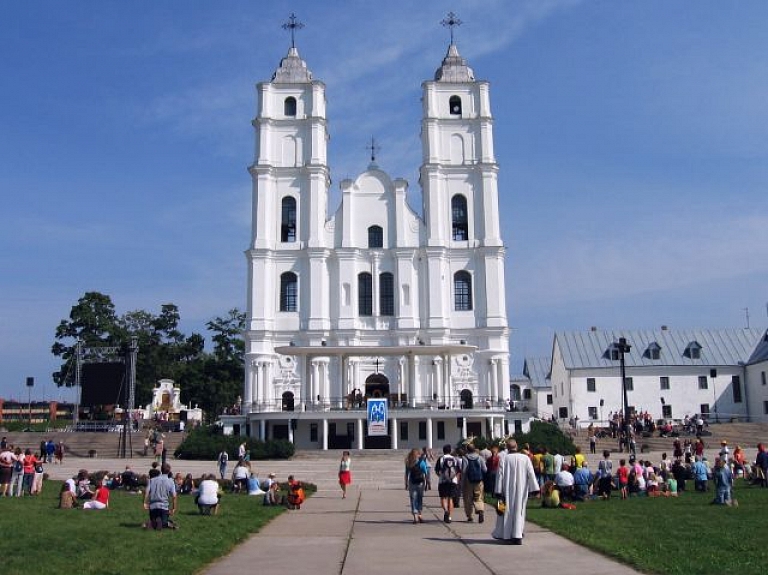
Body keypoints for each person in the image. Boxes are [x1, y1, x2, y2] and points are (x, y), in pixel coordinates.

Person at [492, 439, 539, 545]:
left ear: (507, 448)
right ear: (516, 446)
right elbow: (531, 473)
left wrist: (498, 491)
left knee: (506, 512)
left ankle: (507, 534)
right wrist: (535, 489)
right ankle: (518, 535)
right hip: (521, 491)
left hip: (506, 490)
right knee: (519, 512)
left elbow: (499, 476)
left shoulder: (504, 459)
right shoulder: (525, 458)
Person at [144, 463, 178, 529]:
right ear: (169, 471)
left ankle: (153, 523)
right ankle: (166, 523)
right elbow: (174, 496)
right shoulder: (170, 481)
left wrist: (145, 503)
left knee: (153, 524)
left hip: (153, 506)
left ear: (161, 470)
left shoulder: (152, 480)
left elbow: (146, 492)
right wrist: (173, 508)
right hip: (164, 506)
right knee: (164, 524)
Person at [434, 444, 460, 524]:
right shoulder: (455, 459)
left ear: (443, 450)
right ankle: (450, 516)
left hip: (443, 481)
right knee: (450, 499)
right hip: (453, 481)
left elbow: (437, 470)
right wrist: (456, 479)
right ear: (450, 451)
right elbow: (458, 471)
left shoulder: (441, 459)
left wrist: (441, 476)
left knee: (443, 498)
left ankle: (445, 511)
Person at [461, 443, 487, 523]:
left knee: (468, 498)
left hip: (468, 481)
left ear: (467, 450)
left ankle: (469, 516)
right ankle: (480, 510)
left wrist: (462, 481)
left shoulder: (465, 458)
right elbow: (485, 469)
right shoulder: (480, 457)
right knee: (479, 496)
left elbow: (464, 470)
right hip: (478, 480)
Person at [404, 448, 427, 524]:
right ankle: (420, 514)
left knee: (413, 499)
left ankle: (415, 517)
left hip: (412, 482)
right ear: (417, 454)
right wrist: (426, 482)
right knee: (419, 498)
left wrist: (406, 483)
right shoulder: (421, 462)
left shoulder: (408, 462)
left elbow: (406, 474)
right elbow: (425, 472)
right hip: (420, 482)